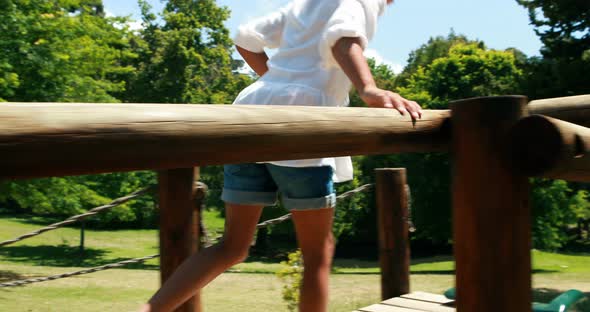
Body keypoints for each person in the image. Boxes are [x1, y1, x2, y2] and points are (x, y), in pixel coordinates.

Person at [141, 0, 421, 311]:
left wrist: (278, 82)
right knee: (318, 252)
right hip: (304, 124)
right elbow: (344, 39)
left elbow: (246, 39)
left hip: (251, 115)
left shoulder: (308, 3)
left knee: (232, 246)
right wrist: (370, 90)